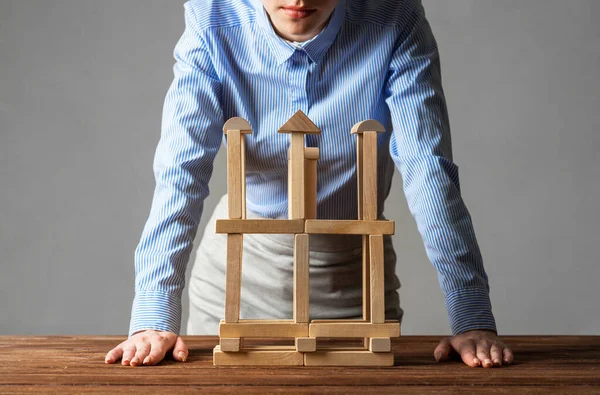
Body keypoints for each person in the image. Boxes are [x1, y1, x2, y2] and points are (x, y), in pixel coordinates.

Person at [105, 0, 515, 368]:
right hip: (235, 284)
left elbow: (427, 167)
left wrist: (471, 315)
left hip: (357, 283)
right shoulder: (212, 19)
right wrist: (152, 316)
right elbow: (182, 171)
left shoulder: (395, 17)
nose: (299, 0)